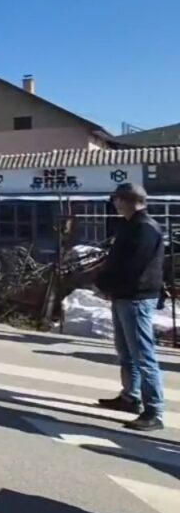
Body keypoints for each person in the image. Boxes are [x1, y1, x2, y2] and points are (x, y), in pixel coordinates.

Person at [95, 183, 167, 432]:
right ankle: (130, 397)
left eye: (117, 199)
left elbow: (131, 267)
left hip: (135, 297)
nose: (114, 204)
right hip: (124, 295)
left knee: (143, 356)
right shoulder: (132, 225)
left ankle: (154, 411)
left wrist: (104, 283)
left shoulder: (144, 228)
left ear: (126, 200)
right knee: (126, 352)